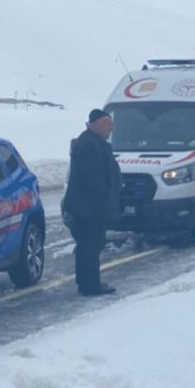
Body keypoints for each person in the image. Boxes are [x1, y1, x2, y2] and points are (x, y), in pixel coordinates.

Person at [63, 108, 122, 297]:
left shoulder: (94, 142)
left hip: (90, 205)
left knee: (89, 245)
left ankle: (87, 281)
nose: (110, 129)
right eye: (107, 125)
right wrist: (106, 192)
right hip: (88, 207)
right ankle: (90, 284)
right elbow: (93, 178)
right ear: (96, 125)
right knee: (90, 245)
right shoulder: (89, 145)